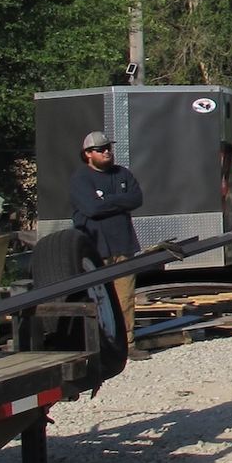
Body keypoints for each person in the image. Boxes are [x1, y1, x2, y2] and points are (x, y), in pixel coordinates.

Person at [69, 130, 143, 346]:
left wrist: (107, 201)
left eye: (108, 148)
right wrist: (120, 201)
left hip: (123, 245)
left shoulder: (123, 174)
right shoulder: (80, 179)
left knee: (125, 297)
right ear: (88, 154)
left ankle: (127, 344)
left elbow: (137, 199)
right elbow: (91, 208)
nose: (107, 152)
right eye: (100, 149)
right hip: (94, 248)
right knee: (98, 298)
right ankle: (100, 344)